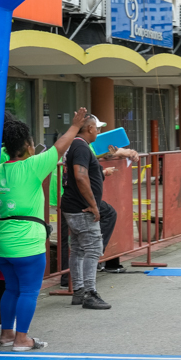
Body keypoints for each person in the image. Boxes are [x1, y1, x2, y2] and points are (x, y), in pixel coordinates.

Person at [0, 107, 87, 350]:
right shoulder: (32, 166)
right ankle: (22, 338)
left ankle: (6, 334)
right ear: (27, 146)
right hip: (26, 243)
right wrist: (76, 126)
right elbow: (60, 146)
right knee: (28, 291)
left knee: (12, 288)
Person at [60, 114, 120, 310]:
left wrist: (100, 174)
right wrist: (93, 204)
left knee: (77, 249)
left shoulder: (77, 146)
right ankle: (89, 293)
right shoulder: (81, 146)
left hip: (73, 205)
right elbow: (80, 176)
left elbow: (83, 174)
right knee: (93, 248)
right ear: (89, 129)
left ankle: (79, 291)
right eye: (97, 128)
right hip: (81, 207)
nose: (98, 131)